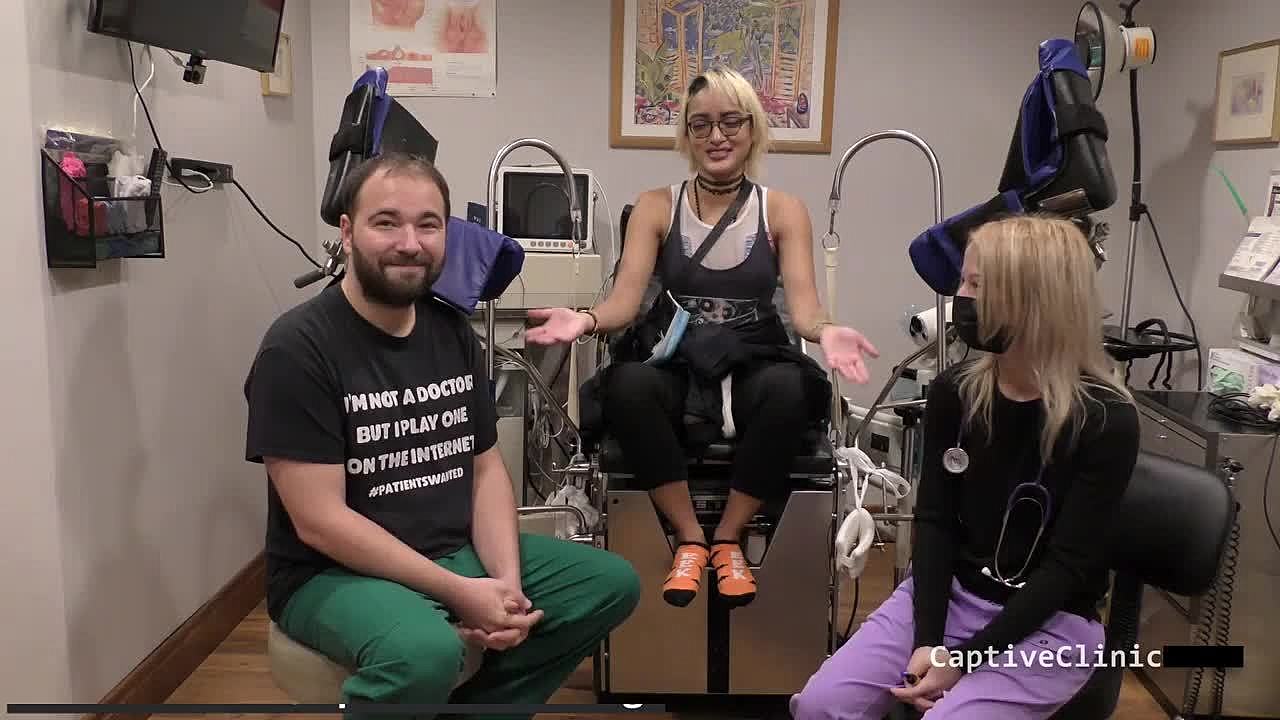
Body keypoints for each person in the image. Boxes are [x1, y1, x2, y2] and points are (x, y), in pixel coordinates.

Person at [243, 152, 641, 719]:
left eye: (427, 225)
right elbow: (320, 521)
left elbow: (485, 469)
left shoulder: (450, 330)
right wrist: (461, 593)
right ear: (348, 233)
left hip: (451, 550)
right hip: (331, 574)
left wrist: (505, 585)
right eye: (387, 223)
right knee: (423, 652)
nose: (410, 243)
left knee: (609, 583)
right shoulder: (298, 349)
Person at [524, 67, 879, 609]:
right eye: (701, 124)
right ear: (686, 135)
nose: (717, 136)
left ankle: (729, 538)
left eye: (730, 122)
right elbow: (625, 302)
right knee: (627, 387)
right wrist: (586, 320)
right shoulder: (655, 206)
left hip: (753, 357)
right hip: (680, 360)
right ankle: (690, 538)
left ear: (752, 128)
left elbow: (806, 310)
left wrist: (827, 332)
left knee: (791, 390)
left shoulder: (783, 210)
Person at [790, 214, 1141, 720]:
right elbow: (935, 523)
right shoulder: (956, 392)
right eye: (963, 281)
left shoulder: (1106, 419)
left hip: (1052, 624)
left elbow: (1067, 569)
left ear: (1034, 300)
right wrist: (930, 641)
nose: (961, 298)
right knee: (821, 706)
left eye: (976, 285)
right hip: (954, 597)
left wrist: (966, 660)